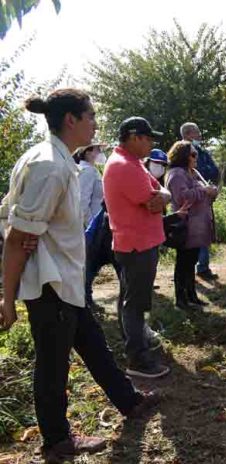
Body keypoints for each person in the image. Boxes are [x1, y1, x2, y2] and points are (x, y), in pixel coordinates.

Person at [0, 89, 158, 463]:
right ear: (71, 120)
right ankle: (57, 441)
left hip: (66, 278)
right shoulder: (49, 166)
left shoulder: (56, 160)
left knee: (93, 345)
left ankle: (130, 402)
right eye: (90, 116)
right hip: (49, 283)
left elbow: (13, 217)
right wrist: (7, 297)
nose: (95, 124)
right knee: (52, 365)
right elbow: (16, 233)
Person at [103, 116, 171, 379]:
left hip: (135, 242)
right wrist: (162, 197)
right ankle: (138, 359)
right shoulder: (125, 166)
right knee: (134, 303)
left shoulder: (131, 163)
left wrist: (163, 196)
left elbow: (160, 194)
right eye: (148, 138)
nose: (151, 143)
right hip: (137, 245)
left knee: (128, 298)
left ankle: (134, 344)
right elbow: (153, 199)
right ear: (134, 137)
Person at [166, 141, 216, 309]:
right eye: (193, 154)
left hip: (197, 227)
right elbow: (181, 197)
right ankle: (181, 300)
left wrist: (211, 190)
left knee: (191, 262)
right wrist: (204, 191)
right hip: (186, 226)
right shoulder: (177, 174)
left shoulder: (193, 172)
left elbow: (206, 191)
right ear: (183, 156)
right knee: (183, 263)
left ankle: (192, 295)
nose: (196, 157)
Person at [180, 122, 219, 281]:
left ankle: (203, 266)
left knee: (204, 232)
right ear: (188, 134)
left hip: (205, 198)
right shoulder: (183, 153)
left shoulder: (201, 152)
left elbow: (213, 170)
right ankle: (191, 269)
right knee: (192, 235)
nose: (200, 136)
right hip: (193, 202)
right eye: (196, 133)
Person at [73, 143, 107, 228]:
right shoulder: (88, 171)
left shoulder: (91, 170)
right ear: (88, 152)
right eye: (97, 149)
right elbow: (82, 202)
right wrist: (91, 225)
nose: (100, 152)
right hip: (91, 225)